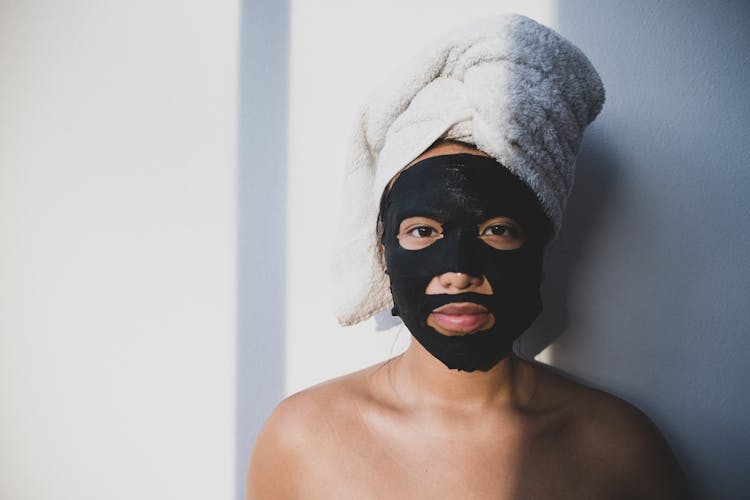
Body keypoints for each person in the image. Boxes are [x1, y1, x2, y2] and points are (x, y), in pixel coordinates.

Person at [247, 14, 689, 499]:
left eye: (496, 230)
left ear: (540, 249)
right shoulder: (303, 441)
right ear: (383, 250)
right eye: (422, 230)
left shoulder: (618, 450)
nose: (458, 273)